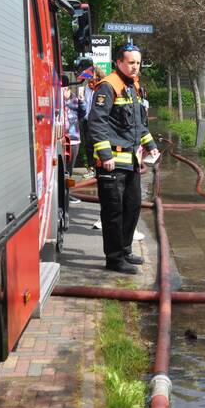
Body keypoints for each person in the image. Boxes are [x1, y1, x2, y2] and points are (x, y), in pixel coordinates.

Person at [87, 43, 159, 274]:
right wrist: (105, 155)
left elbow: (138, 124)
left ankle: (125, 249)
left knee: (132, 206)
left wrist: (151, 146)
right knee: (113, 211)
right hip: (113, 162)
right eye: (131, 62)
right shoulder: (108, 87)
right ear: (118, 63)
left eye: (138, 63)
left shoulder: (133, 87)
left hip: (131, 161)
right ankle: (114, 258)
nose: (135, 67)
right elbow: (97, 123)